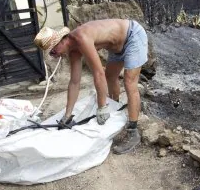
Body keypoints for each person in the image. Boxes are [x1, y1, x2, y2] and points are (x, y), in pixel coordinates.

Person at [34, 19, 148, 154]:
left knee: (129, 82)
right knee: (110, 77)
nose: (54, 56)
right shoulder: (73, 50)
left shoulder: (81, 38)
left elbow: (98, 73)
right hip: (116, 47)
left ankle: (133, 132)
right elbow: (74, 82)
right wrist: (67, 115)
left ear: (61, 41)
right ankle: (115, 112)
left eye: (53, 52)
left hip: (132, 36)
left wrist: (101, 107)